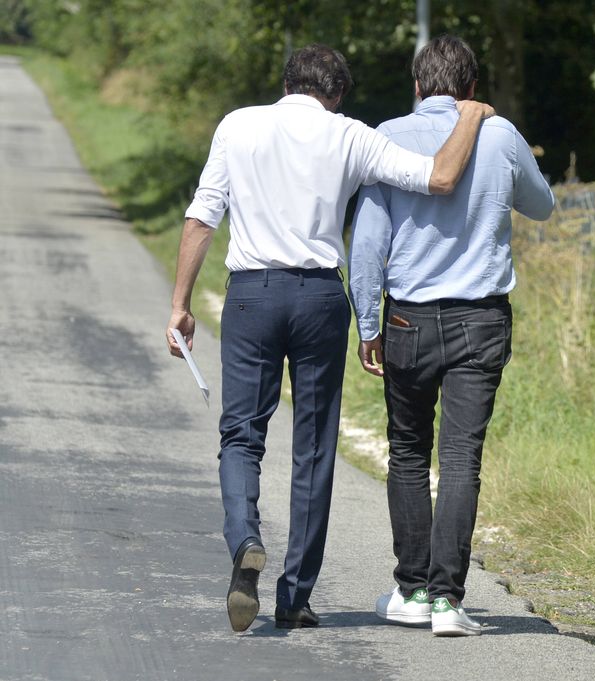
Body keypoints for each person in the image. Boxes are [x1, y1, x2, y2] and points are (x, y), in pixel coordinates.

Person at [165, 43, 494, 633]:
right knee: (314, 446)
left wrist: (181, 304)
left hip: (252, 293)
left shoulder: (238, 125)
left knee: (241, 433)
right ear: (337, 94)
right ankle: (295, 596)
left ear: (285, 82)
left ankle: (244, 537)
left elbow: (203, 213)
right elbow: (439, 177)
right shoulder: (349, 135)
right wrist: (468, 115)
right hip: (319, 298)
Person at [349, 34, 555, 637]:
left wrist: (368, 321)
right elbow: (540, 206)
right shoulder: (500, 134)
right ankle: (447, 601)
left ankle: (410, 589)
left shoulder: (385, 135)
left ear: (418, 85)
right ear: (471, 89)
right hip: (481, 318)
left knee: (409, 452)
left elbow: (367, 241)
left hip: (409, 317)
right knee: (461, 454)